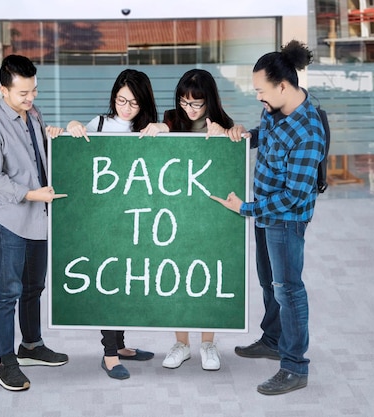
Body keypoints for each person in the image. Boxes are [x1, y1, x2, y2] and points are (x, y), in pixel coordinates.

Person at [212, 40, 326, 395]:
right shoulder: (275, 109)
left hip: (285, 220)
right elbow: (268, 137)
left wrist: (244, 209)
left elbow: (293, 197)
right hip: (264, 211)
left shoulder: (308, 132)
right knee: (268, 281)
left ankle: (294, 366)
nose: (258, 96)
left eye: (261, 90)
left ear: (282, 85)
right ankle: (273, 338)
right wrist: (246, 137)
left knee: (289, 289)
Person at [0, 54, 69, 391]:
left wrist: (55, 135)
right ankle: (4, 361)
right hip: (10, 220)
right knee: (9, 291)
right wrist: (32, 195)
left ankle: (31, 346)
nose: (30, 99)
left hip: (38, 218)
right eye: (22, 94)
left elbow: (39, 154)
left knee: (34, 287)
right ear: (3, 90)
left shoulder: (33, 114)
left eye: (34, 91)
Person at [66, 69, 158, 379]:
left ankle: (120, 345)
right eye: (121, 100)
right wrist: (73, 126)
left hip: (138, 219)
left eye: (133, 102)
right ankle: (108, 355)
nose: (126, 107)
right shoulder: (101, 124)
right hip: (105, 219)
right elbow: (73, 148)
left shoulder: (148, 129)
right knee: (110, 284)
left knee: (127, 284)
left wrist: (161, 128)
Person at [144, 69, 234, 371]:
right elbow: (165, 127)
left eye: (197, 104)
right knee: (175, 275)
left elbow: (235, 157)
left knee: (208, 274)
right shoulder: (173, 117)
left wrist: (226, 134)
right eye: (185, 102)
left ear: (210, 101)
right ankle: (181, 343)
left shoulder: (223, 124)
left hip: (208, 214)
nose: (191, 109)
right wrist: (158, 128)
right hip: (173, 210)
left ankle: (208, 342)